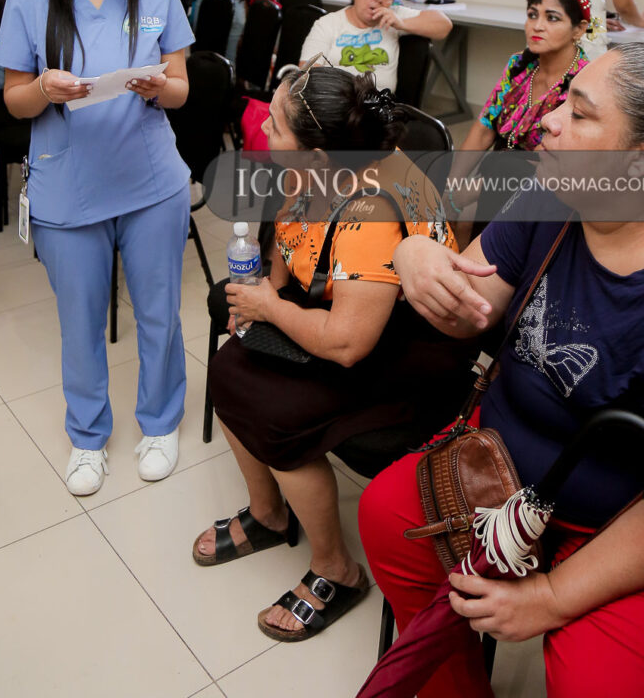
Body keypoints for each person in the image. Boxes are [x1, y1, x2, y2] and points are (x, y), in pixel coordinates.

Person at [359, 41, 644, 698]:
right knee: (385, 519)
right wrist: (420, 255)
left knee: (600, 684)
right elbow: (469, 310)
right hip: (500, 470)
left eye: (581, 114)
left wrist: (554, 596)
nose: (548, 119)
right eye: (561, 97)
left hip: (635, 528)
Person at [192, 62, 474, 643]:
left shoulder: (371, 210)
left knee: (272, 407)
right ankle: (269, 515)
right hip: (347, 313)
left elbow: (348, 344)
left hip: (405, 354)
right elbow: (289, 247)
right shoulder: (320, 166)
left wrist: (270, 308)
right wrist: (266, 295)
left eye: (275, 126)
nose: (263, 132)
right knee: (229, 366)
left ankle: (337, 571)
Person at [0, 0, 194, 496]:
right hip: (67, 185)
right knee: (79, 321)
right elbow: (14, 99)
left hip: (151, 181)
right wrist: (47, 89)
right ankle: (87, 437)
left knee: (160, 313)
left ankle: (160, 422)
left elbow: (183, 89)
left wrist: (161, 86)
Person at [460, 0, 590, 154]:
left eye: (552, 18)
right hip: (497, 170)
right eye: (532, 15)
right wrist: (451, 180)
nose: (537, 26)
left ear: (579, 29)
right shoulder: (519, 64)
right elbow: (484, 128)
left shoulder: (585, 82)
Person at [299, 0, 451, 93]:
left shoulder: (394, 15)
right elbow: (306, 76)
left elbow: (444, 25)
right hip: (334, 106)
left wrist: (402, 24)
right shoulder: (328, 24)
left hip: (378, 111)